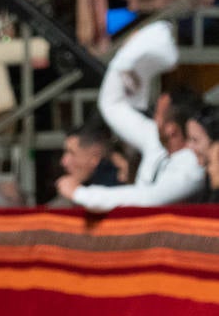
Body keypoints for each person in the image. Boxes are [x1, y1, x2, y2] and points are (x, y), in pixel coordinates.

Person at [59, 22, 206, 209]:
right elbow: (112, 105)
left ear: (171, 129)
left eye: (159, 117)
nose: (153, 121)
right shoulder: (156, 141)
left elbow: (150, 199)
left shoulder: (193, 165)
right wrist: (128, 55)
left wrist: (82, 194)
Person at [54, 122, 120, 197]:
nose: (63, 162)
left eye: (72, 153)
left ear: (94, 159)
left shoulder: (114, 194)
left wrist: (77, 194)